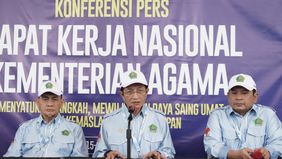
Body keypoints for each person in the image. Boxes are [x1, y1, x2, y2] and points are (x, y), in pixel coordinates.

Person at [93, 70, 176, 159]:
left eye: (140, 91)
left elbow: (169, 152)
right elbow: (98, 154)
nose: (135, 97)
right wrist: (108, 154)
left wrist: (159, 155)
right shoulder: (108, 121)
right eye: (129, 91)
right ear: (122, 94)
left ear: (146, 92)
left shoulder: (160, 119)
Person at [204, 73, 282, 159]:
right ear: (228, 96)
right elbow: (211, 145)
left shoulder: (268, 115)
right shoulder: (217, 116)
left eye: (244, 93)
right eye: (234, 93)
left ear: (255, 96)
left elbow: (278, 142)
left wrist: (268, 152)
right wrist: (235, 155)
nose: (238, 97)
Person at [4, 80, 88, 157]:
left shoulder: (75, 129)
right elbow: (11, 156)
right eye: (45, 99)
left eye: (54, 99)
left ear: (61, 102)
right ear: (38, 102)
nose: (50, 104)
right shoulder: (24, 128)